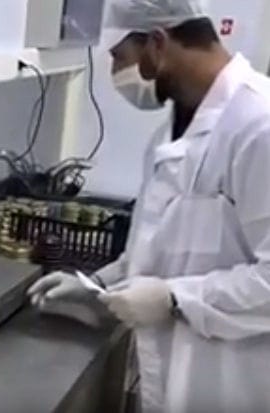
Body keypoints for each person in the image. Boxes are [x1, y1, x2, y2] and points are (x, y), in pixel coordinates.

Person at [27, 0, 270, 412]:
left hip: (235, 387)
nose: (117, 75)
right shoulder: (168, 136)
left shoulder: (258, 126)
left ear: (158, 42)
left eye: (119, 58)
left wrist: (175, 298)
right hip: (171, 381)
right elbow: (157, 250)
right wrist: (97, 285)